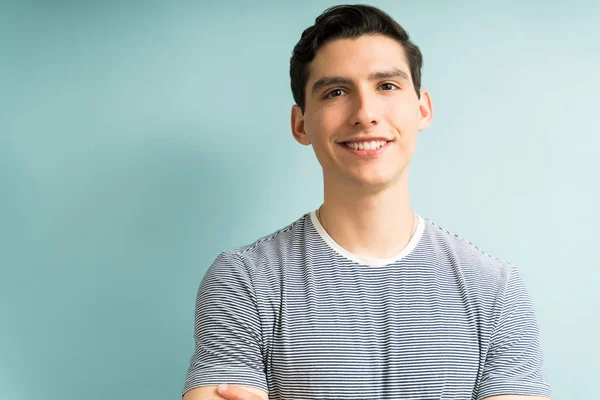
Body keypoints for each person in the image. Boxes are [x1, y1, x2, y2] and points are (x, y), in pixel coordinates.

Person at [182, 4, 552, 400]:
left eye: (387, 86)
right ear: (301, 123)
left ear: (422, 108)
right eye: (336, 92)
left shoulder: (495, 288)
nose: (365, 113)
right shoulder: (244, 279)